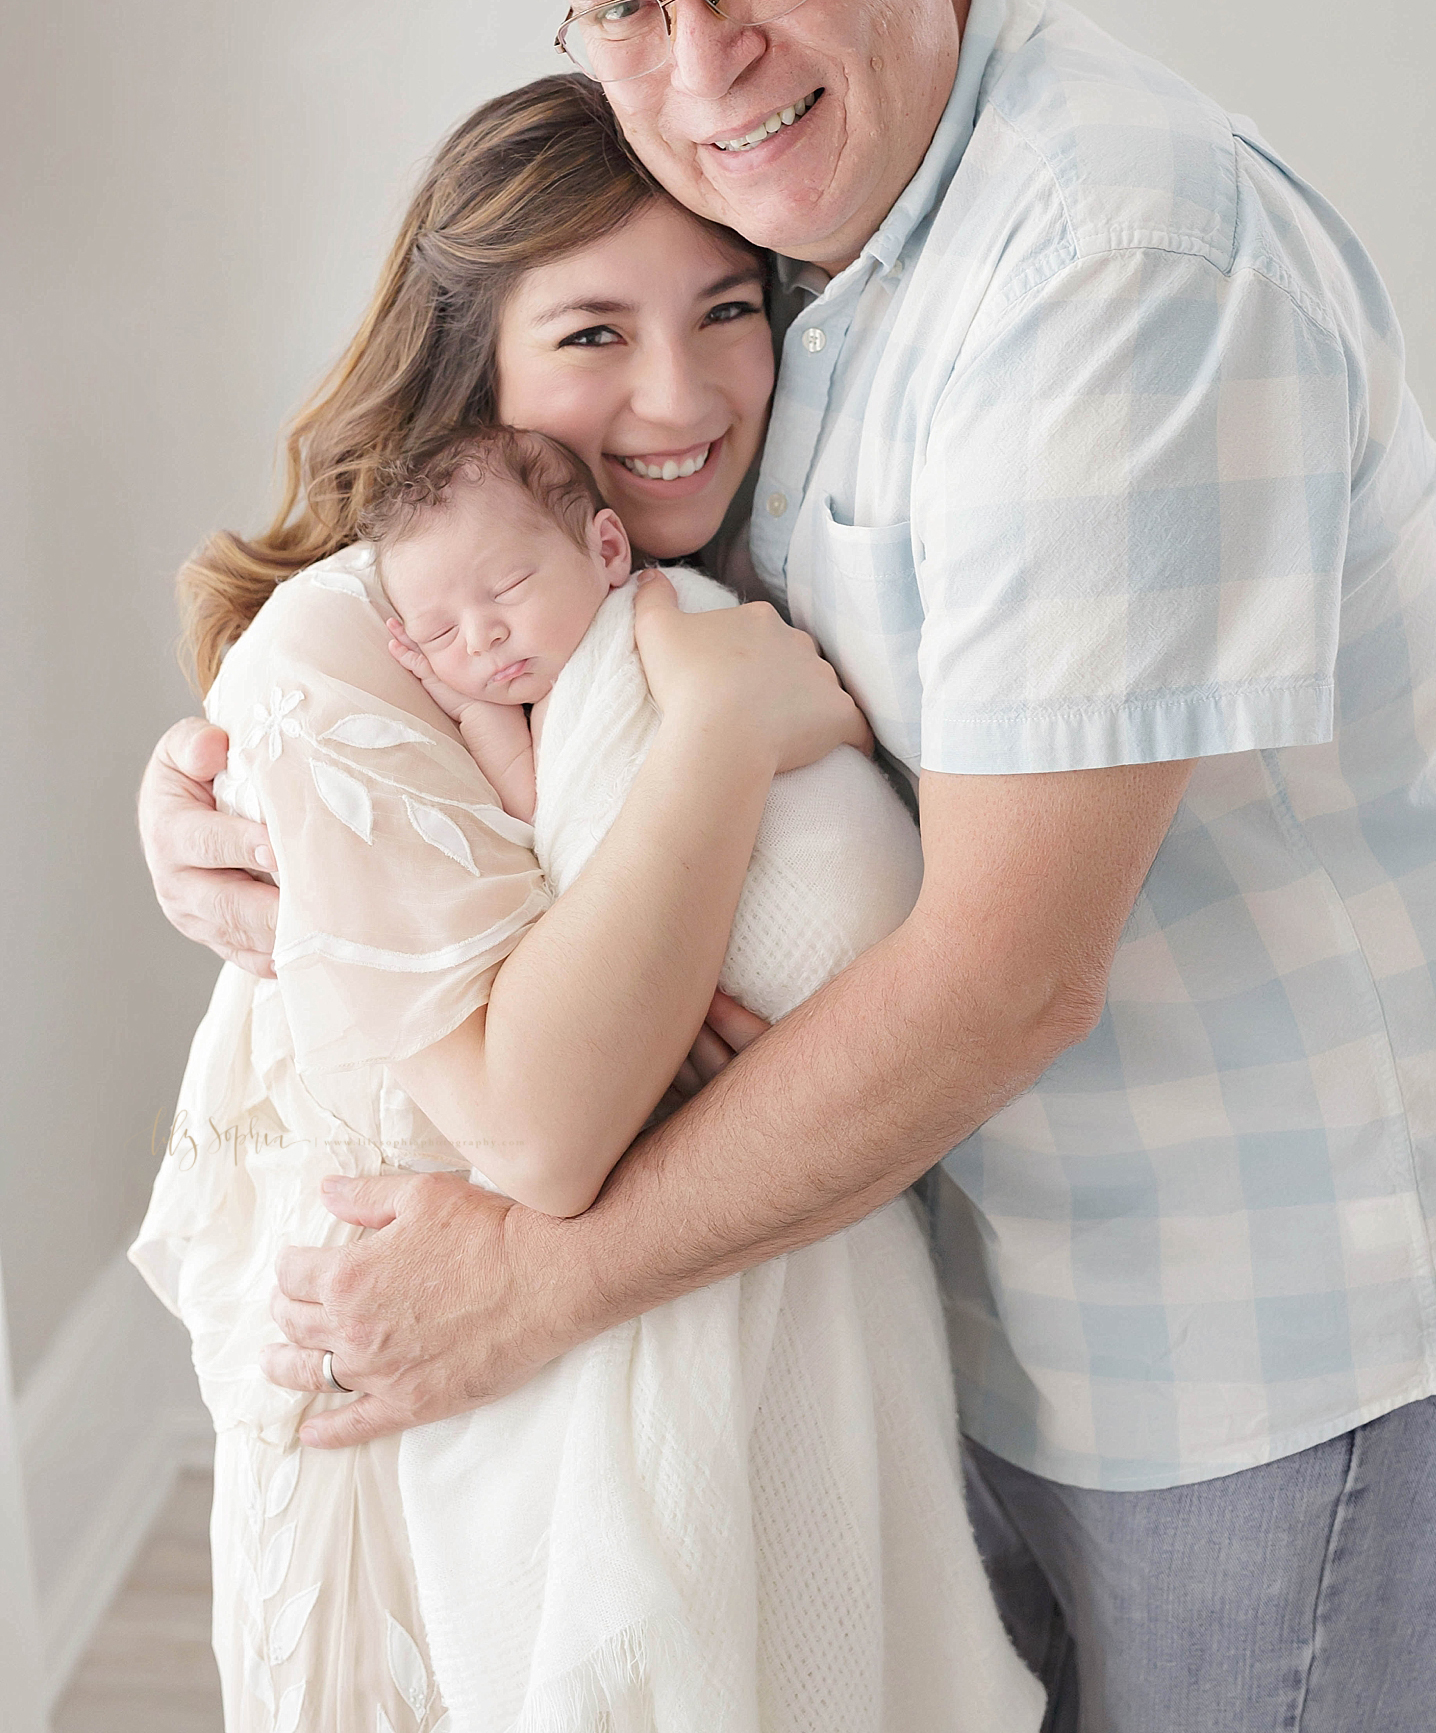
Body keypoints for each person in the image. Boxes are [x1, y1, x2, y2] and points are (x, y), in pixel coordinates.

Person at [138, 0, 1436, 1730]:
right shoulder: (813, 250)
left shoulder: (1108, 272)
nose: (701, 53)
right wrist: (229, 803)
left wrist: (533, 1284)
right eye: (624, 4)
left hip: (1235, 1333)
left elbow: (1006, 977)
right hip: (955, 1296)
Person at [131, 84, 1040, 1729]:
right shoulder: (382, 649)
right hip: (472, 1446)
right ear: (472, 361)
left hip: (798, 1382)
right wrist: (725, 728)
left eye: (724, 311)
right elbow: (548, 1132)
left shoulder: (739, 563)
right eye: (593, 333)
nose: (679, 392)